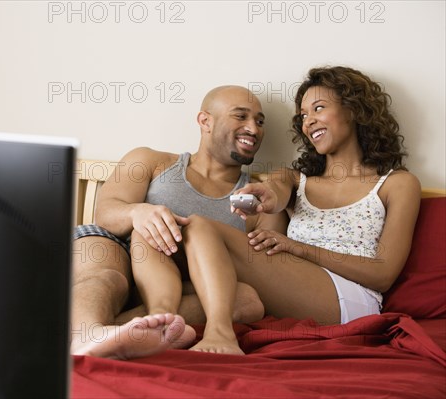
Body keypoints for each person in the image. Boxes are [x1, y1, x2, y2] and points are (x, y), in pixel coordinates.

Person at [180, 66, 421, 353]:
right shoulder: (295, 179)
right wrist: (268, 198)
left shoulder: (397, 184)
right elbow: (277, 193)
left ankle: (219, 335)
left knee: (202, 232)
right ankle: (124, 326)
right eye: (304, 116)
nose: (309, 122)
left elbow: (383, 274)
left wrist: (298, 248)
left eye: (319, 108)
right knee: (196, 229)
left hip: (350, 300)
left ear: (354, 110)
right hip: (295, 287)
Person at [70, 85, 288, 360]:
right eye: (240, 116)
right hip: (119, 254)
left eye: (259, 121)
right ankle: (87, 333)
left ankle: (108, 331)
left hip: (182, 284)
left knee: (248, 300)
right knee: (109, 276)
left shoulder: (259, 201)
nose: (254, 129)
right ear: (205, 121)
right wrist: (138, 213)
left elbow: (263, 273)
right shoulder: (152, 161)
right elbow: (105, 212)